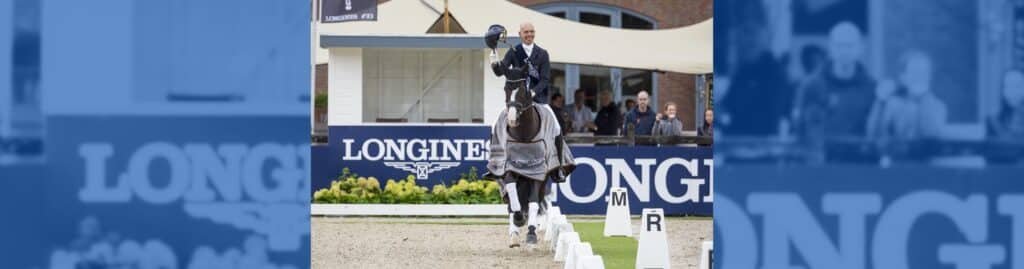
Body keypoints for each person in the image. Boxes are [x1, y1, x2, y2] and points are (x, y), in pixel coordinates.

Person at [793, 21, 876, 139]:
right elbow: (799, 126)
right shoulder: (811, 85)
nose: (844, 51)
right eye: (839, 45)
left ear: (860, 48)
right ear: (830, 48)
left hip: (859, 155)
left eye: (850, 46)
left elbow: (875, 130)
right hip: (820, 155)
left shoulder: (870, 87)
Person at [870, 50, 948, 140]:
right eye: (915, 72)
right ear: (903, 77)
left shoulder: (938, 106)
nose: (920, 77)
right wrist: (880, 102)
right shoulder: (892, 104)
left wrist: (923, 99)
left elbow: (932, 135)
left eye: (924, 72)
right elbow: (874, 135)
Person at [491, 22, 551, 105]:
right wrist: (494, 60)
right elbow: (500, 72)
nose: (529, 34)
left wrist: (532, 92)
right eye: (526, 32)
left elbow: (545, 79)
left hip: (538, 99)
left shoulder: (543, 54)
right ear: (520, 34)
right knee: (503, 117)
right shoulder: (513, 52)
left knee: (553, 117)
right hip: (517, 100)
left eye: (532, 31)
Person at [988, 70, 1024, 139]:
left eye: (1017, 86)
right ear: (1002, 90)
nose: (1013, 91)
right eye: (1008, 86)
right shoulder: (993, 122)